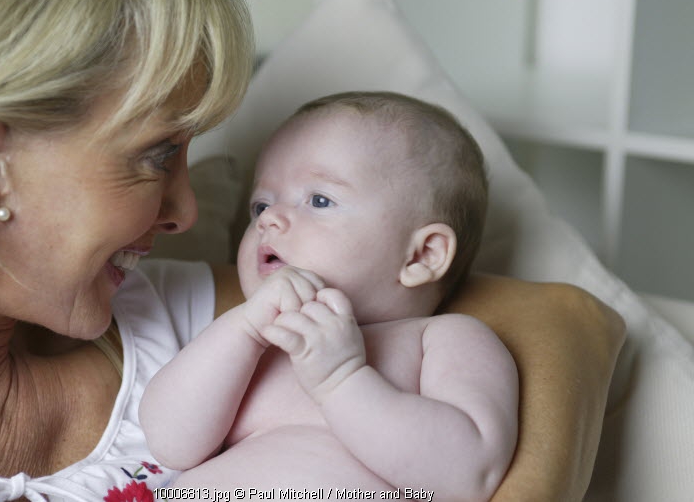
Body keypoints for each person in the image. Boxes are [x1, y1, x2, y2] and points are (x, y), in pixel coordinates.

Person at [0, 0, 624, 501]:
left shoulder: (173, 312)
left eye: (318, 200)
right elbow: (174, 433)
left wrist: (347, 379)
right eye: (155, 154)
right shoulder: (238, 334)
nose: (188, 213)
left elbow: (568, 319)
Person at [139, 92, 518, 500]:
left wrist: (343, 381)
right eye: (260, 205)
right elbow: (169, 443)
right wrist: (243, 328)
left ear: (421, 255)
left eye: (319, 200)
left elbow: (468, 475)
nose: (269, 219)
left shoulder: (442, 340)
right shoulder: (254, 345)